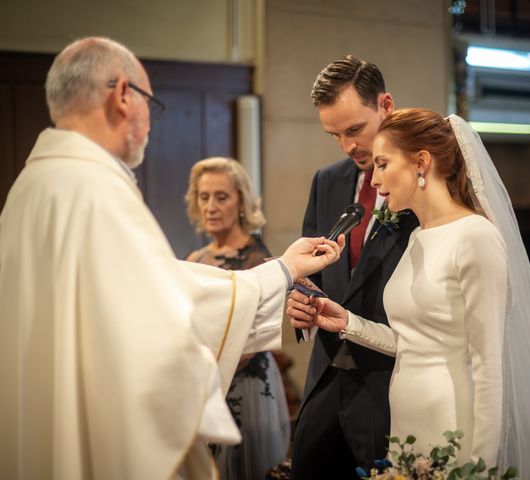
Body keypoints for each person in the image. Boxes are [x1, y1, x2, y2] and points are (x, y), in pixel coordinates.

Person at [0, 37, 342, 480]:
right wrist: (284, 270)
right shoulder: (93, 190)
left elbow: (157, 288)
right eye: (149, 103)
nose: (148, 122)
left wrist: (279, 268)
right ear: (123, 95)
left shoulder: (36, 184)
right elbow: (169, 312)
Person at [289, 108, 530, 479]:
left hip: (453, 418)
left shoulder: (476, 236)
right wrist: (348, 323)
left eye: (382, 164)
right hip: (407, 423)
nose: (374, 180)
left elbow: (490, 366)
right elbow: (411, 342)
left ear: (421, 162)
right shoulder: (417, 236)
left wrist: (481, 467)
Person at [289, 56, 419, 480]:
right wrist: (301, 306)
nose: (348, 146)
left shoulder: (423, 186)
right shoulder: (327, 180)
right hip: (325, 376)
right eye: (335, 135)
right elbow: (311, 274)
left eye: (355, 130)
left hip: (389, 384)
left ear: (386, 105)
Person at [185, 157, 290, 479]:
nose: (211, 207)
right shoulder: (195, 258)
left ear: (242, 201)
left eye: (222, 197)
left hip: (245, 383)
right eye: (204, 197)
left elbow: (253, 339)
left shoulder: (260, 259)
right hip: (206, 379)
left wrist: (208, 374)